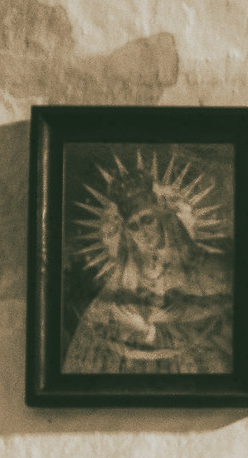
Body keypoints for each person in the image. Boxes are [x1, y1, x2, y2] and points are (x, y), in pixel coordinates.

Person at [63, 154, 233, 375]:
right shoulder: (122, 281)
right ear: (127, 234)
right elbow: (91, 344)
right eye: (133, 226)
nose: (142, 232)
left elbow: (219, 330)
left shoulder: (206, 271)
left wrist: (149, 331)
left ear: (162, 218)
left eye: (147, 220)